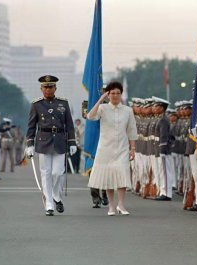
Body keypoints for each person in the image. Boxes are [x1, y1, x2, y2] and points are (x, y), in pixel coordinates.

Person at [25, 75, 77, 216]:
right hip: (43, 140)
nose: (48, 90)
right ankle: (49, 203)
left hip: (60, 140)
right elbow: (31, 126)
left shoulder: (63, 103)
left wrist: (72, 142)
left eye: (51, 87)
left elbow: (70, 125)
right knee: (46, 173)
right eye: (45, 87)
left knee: (58, 172)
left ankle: (55, 195)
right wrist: (29, 144)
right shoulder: (36, 104)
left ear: (55, 88)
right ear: (41, 89)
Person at [87, 81, 137, 216]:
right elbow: (90, 116)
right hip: (106, 149)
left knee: (122, 175)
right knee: (108, 177)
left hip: (122, 148)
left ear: (121, 94)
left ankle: (121, 205)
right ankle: (111, 206)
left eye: (118, 93)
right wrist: (100, 100)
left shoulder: (128, 110)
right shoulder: (103, 108)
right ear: (108, 94)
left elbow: (132, 130)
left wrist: (132, 149)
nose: (115, 96)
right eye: (112, 93)